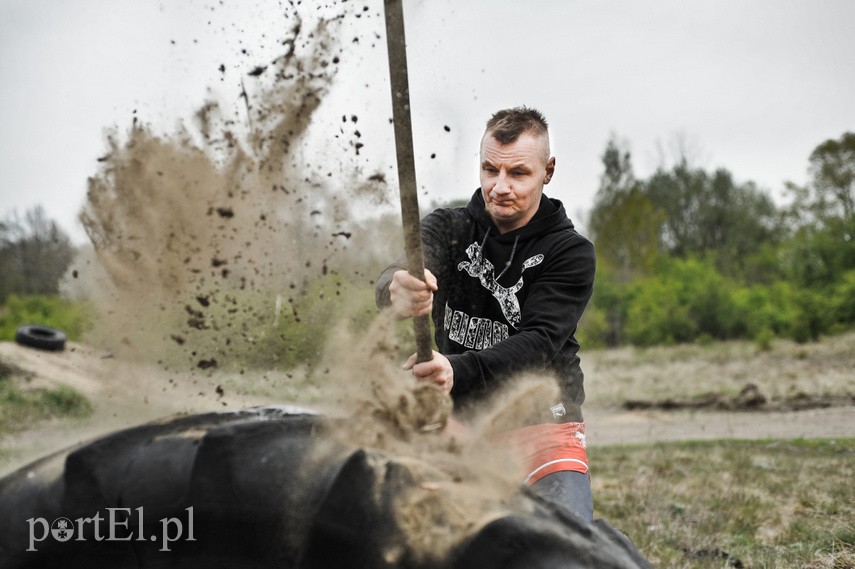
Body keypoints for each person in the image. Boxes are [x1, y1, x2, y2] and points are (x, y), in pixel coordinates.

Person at [375, 106, 596, 521]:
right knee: (411, 532)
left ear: (548, 171)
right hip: (459, 426)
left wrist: (456, 369)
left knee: (564, 542)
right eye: (490, 169)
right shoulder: (448, 227)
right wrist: (398, 290)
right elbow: (394, 276)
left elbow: (539, 344)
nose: (500, 186)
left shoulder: (570, 251)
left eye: (518, 173)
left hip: (544, 430)